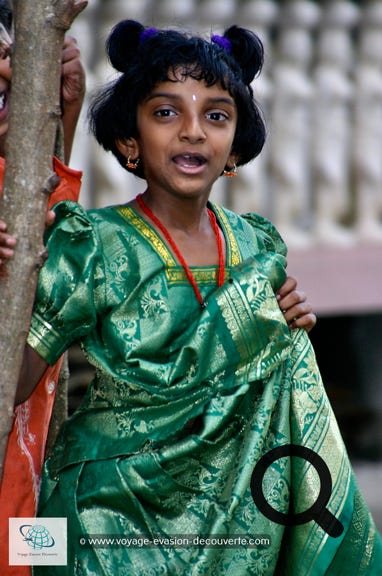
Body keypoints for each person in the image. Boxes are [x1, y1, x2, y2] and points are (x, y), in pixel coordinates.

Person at [2, 18, 380, 575]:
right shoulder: (92, 245)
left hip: (236, 523)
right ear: (129, 140)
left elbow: (272, 388)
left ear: (233, 147)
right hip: (106, 514)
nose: (193, 131)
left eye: (216, 115)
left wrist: (285, 332)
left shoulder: (255, 246)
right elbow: (13, 384)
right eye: (166, 112)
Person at [0, 1, 85, 574]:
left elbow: (50, 230)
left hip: (33, 438)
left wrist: (66, 110)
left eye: (10, 56)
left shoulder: (15, 173)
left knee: (30, 559)